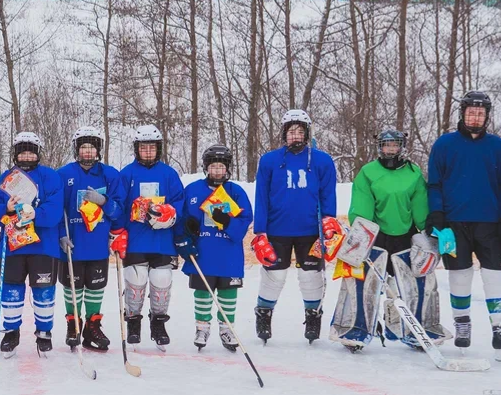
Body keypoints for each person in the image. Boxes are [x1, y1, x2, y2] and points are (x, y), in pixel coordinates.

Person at [332, 129, 441, 350]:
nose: (390, 149)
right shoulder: (368, 172)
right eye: (386, 145)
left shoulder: (413, 173)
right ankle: (357, 328)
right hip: (375, 235)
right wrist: (363, 235)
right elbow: (361, 206)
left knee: (414, 283)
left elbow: (420, 207)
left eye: (395, 145)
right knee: (364, 282)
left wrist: (429, 231)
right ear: (379, 147)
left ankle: (415, 329)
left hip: (406, 236)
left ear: (402, 147)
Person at [427, 91, 501, 352]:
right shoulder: (444, 145)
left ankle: (500, 329)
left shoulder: (498, 146)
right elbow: (434, 184)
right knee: (459, 275)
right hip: (454, 224)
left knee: (495, 276)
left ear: (487, 116)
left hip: (490, 223)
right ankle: (462, 323)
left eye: (481, 113)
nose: (476, 116)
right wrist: (437, 215)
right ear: (463, 113)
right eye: (471, 112)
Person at [251, 109, 339, 344]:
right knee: (275, 276)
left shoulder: (322, 160)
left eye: (300, 131)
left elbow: (328, 194)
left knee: (310, 277)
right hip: (277, 230)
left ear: (307, 133)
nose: (295, 136)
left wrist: (329, 223)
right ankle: (264, 313)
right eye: (291, 132)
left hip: (310, 231)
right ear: (284, 134)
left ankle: (312, 316)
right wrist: (260, 232)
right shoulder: (269, 160)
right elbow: (261, 197)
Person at [0, 132, 64, 354]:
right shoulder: (5, 178)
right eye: (22, 151)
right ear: (15, 154)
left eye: (31, 151)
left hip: (44, 245)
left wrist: (36, 213)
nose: (27, 155)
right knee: (11, 292)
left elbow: (54, 211)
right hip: (13, 247)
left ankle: (44, 333)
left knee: (43, 291)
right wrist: (7, 209)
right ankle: (11, 332)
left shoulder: (50, 177)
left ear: (38, 153)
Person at [175, 145, 252, 351]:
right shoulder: (192, 190)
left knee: (228, 292)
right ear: (206, 168)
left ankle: (227, 329)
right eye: (213, 166)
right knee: (202, 292)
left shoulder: (236, 192)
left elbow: (245, 221)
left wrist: (227, 222)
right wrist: (185, 238)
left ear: (227, 169)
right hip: (203, 253)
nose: (217, 171)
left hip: (228, 254)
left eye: (221, 167)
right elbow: (182, 219)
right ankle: (202, 327)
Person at [56, 126, 124, 352]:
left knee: (95, 286)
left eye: (91, 148)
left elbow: (119, 211)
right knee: (72, 285)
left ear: (98, 151)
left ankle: (92, 326)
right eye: (83, 147)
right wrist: (61, 235)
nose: (88, 152)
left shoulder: (111, 174)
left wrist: (104, 202)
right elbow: (57, 209)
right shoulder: (64, 174)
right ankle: (73, 323)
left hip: (98, 243)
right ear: (77, 150)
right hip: (73, 243)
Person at [117, 124, 184, 348]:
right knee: (135, 280)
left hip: (162, 239)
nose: (148, 152)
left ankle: (158, 323)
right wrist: (117, 232)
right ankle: (133, 322)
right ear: (137, 149)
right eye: (143, 148)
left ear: (159, 149)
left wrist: (172, 213)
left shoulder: (169, 173)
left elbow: (179, 200)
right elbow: (118, 204)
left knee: (161, 281)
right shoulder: (126, 174)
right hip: (136, 238)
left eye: (152, 148)